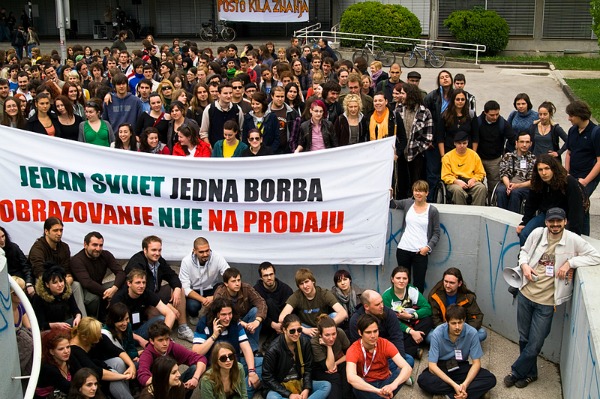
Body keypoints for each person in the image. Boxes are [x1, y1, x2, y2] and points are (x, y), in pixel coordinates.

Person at [505, 207, 600, 389]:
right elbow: (524, 251)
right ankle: (530, 374)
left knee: (536, 342)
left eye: (559, 221)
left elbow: (595, 255)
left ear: (565, 222)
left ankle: (516, 371)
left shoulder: (572, 239)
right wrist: (523, 265)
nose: (555, 225)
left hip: (547, 302)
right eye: (551, 222)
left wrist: (570, 263)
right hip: (526, 294)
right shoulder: (538, 233)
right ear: (546, 222)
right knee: (524, 338)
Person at [125, 235, 195, 342]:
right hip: (142, 302)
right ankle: (161, 337)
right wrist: (168, 307)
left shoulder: (159, 260)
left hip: (155, 294)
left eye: (159, 250)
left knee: (180, 289)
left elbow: (172, 275)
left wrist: (176, 288)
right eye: (153, 250)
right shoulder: (137, 263)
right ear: (145, 250)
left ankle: (182, 328)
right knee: (159, 315)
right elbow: (142, 290)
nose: (157, 253)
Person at [418, 305, 496, 398]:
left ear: (464, 320)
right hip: (442, 367)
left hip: (461, 366)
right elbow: (432, 366)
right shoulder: (437, 333)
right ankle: (469, 393)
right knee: (423, 379)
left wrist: (465, 384)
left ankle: (449, 395)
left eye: (460, 322)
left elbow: (476, 363)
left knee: (490, 378)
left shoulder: (472, 333)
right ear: (447, 322)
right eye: (453, 323)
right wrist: (454, 385)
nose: (457, 327)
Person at [191, 297, 262, 399]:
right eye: (223, 314)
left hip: (234, 364)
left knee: (262, 363)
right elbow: (196, 352)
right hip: (213, 368)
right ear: (216, 314)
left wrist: (251, 371)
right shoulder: (204, 324)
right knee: (203, 379)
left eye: (230, 313)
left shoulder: (235, 322)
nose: (228, 318)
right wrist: (214, 336)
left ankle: (243, 391)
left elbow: (246, 348)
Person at [517, 154, 585, 245]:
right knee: (525, 234)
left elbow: (576, 210)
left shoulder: (568, 182)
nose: (544, 173)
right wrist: (524, 222)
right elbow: (531, 204)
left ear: (553, 169)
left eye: (547, 168)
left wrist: (573, 233)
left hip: (567, 216)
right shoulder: (537, 181)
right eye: (540, 170)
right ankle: (524, 258)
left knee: (565, 243)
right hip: (548, 214)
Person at [262, 314, 332, 399]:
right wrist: (289, 394)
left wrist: (306, 388)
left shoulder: (304, 342)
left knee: (326, 386)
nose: (296, 334)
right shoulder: (273, 349)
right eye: (292, 331)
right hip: (281, 386)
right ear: (284, 330)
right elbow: (267, 377)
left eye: (299, 330)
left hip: (300, 383)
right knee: (272, 397)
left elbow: (308, 368)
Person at [346, 313, 412, 399]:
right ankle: (385, 396)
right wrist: (377, 391)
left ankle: (385, 394)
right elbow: (351, 377)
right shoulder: (353, 349)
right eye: (368, 332)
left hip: (385, 381)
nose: (373, 336)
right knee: (356, 385)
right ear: (360, 332)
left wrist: (392, 386)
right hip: (367, 385)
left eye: (375, 331)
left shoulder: (384, 343)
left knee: (408, 362)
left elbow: (407, 368)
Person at [390, 180, 440, 293]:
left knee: (419, 283)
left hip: (420, 252)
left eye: (421, 191)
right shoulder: (408, 203)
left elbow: (436, 233)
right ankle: (402, 304)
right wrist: (390, 195)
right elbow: (393, 204)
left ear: (427, 193)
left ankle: (416, 307)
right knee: (402, 282)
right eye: (416, 191)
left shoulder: (432, 210)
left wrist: (427, 248)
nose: (418, 193)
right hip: (403, 249)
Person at [69, 317, 135, 399]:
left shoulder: (96, 336)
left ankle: (126, 392)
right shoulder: (74, 350)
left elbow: (117, 351)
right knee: (114, 380)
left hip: (101, 366)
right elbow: (96, 371)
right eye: (96, 337)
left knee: (118, 362)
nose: (99, 337)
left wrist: (132, 366)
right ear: (84, 337)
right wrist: (123, 376)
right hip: (92, 379)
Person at [348, 290, 414, 369]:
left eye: (382, 302)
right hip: (368, 358)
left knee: (408, 360)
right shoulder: (355, 320)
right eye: (377, 304)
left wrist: (401, 362)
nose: (382, 306)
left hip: (387, 352)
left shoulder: (388, 313)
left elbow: (397, 337)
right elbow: (358, 348)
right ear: (366, 307)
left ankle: (393, 374)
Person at [71, 231, 127, 319]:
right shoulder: (77, 260)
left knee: (124, 284)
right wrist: (106, 293)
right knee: (95, 298)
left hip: (100, 287)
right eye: (94, 245)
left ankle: (119, 317)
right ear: (85, 245)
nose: (98, 248)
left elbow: (121, 273)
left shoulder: (106, 254)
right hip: (84, 291)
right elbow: (87, 283)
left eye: (100, 245)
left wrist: (114, 288)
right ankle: (96, 321)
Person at [138, 321, 207, 392]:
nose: (165, 343)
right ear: (152, 341)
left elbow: (200, 358)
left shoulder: (172, 347)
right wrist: (167, 380)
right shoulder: (147, 354)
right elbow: (143, 377)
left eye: (167, 339)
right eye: (160, 340)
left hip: (175, 384)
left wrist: (195, 378)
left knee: (195, 368)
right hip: (158, 390)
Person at [565, 99, 600, 236]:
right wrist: (566, 173)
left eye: (571, 116)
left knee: (580, 202)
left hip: (588, 176)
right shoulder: (572, 130)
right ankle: (575, 234)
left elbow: (599, 161)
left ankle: (583, 236)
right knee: (576, 204)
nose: (569, 118)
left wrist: (586, 181)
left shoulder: (596, 132)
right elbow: (569, 153)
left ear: (580, 115)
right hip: (573, 175)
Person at [382, 266, 433, 360]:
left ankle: (407, 349)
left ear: (408, 280)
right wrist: (411, 332)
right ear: (392, 279)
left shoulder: (412, 290)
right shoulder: (386, 296)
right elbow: (388, 320)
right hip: (398, 324)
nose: (401, 281)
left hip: (412, 320)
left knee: (428, 320)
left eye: (404, 278)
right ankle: (413, 349)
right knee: (393, 333)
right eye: (398, 278)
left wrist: (411, 315)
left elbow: (427, 308)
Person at [279, 268, 348, 337]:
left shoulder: (324, 293)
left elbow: (343, 313)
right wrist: (302, 329)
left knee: (335, 315)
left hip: (323, 325)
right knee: (293, 329)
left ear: (313, 281)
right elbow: (281, 318)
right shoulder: (296, 296)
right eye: (301, 284)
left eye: (306, 282)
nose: (305, 286)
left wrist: (325, 327)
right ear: (298, 286)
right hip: (305, 328)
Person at [213, 268, 267, 353]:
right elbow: (220, 315)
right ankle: (246, 350)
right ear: (226, 283)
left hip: (244, 318)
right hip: (228, 321)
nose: (237, 283)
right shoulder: (220, 294)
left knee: (255, 311)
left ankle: (252, 349)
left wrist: (257, 321)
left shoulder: (245, 288)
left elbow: (261, 302)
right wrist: (243, 324)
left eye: (238, 280)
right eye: (233, 281)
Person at [111, 269, 176, 339]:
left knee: (161, 319)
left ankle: (160, 338)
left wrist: (165, 335)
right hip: (123, 332)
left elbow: (170, 313)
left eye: (144, 282)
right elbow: (115, 326)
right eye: (138, 283)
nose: (142, 286)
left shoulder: (146, 293)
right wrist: (140, 340)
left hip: (140, 329)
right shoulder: (119, 298)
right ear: (129, 283)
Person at [179, 236, 230, 323]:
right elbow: (185, 288)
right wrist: (203, 300)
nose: (205, 254)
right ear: (194, 251)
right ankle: (193, 315)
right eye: (201, 252)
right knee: (192, 306)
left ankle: (217, 314)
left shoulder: (217, 257)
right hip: (194, 290)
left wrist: (214, 297)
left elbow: (229, 275)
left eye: (207, 250)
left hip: (212, 287)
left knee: (226, 288)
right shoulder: (186, 261)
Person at [428, 267, 487, 342]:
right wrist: (448, 332)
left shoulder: (468, 297)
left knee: (482, 333)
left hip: (461, 329)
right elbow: (434, 318)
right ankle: (460, 344)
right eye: (445, 281)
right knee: (429, 336)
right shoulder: (435, 296)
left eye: (452, 283)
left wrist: (462, 331)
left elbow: (477, 317)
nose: (447, 285)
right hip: (443, 330)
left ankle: (450, 345)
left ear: (459, 283)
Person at [397, 82, 433, 188]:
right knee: (401, 183)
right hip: (400, 154)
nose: (400, 96)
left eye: (403, 93)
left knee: (416, 183)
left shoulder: (425, 112)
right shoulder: (398, 110)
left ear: (410, 94)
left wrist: (418, 149)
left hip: (417, 154)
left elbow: (428, 136)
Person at [424, 70, 453, 202]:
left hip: (451, 141)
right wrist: (427, 138)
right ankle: (431, 200)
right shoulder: (432, 97)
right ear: (438, 81)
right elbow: (424, 118)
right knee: (433, 174)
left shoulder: (457, 96)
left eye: (447, 77)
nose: (445, 79)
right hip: (434, 141)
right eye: (442, 77)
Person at [476, 100, 515, 198]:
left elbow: (513, 138)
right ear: (485, 113)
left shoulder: (502, 123)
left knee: (494, 186)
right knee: (477, 185)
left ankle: (491, 203)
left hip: (494, 160)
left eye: (497, 114)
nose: (495, 117)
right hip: (478, 159)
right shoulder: (477, 122)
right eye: (492, 115)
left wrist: (508, 153)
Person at [310, 314, 352, 399]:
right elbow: (329, 367)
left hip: (337, 362)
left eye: (334, 334)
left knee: (346, 370)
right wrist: (328, 346)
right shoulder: (314, 342)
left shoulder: (340, 333)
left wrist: (336, 363)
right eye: (327, 335)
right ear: (320, 334)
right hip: (321, 369)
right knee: (335, 377)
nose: (331, 338)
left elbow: (350, 354)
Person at [441, 130, 487, 205]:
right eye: (459, 143)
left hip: (471, 181)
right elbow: (445, 176)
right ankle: (462, 212)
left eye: (464, 143)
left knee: (481, 188)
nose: (462, 145)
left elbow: (481, 173)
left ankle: (476, 212)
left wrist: (474, 179)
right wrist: (456, 181)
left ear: (467, 143)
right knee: (457, 190)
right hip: (454, 181)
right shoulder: (447, 157)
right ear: (454, 143)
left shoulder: (474, 155)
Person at [495, 131, 536, 213]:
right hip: (508, 183)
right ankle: (500, 215)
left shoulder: (534, 159)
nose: (524, 145)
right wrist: (508, 186)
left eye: (527, 142)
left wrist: (517, 186)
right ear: (516, 143)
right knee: (500, 190)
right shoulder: (508, 156)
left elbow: (533, 181)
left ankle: (512, 219)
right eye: (522, 142)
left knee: (515, 193)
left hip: (524, 186)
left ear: (530, 144)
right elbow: (504, 174)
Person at [253, 262, 293, 344]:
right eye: (265, 275)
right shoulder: (256, 290)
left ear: (274, 274)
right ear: (261, 278)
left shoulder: (285, 289)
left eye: (271, 274)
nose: (269, 277)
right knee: (267, 303)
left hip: (283, 323)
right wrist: (272, 324)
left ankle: (272, 340)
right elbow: (255, 311)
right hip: (265, 323)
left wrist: (281, 325)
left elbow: (291, 311)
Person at [200, 82, 244, 147]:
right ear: (219, 94)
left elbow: (241, 131)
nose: (229, 96)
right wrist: (210, 148)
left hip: (234, 150)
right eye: (225, 93)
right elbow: (203, 133)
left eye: (230, 93)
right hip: (216, 150)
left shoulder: (237, 109)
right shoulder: (209, 109)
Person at [438, 89, 477, 157]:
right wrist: (443, 156)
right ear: (453, 100)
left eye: (462, 99)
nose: (460, 102)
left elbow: (475, 137)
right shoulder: (445, 115)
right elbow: (440, 138)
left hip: (467, 153)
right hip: (450, 153)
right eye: (457, 99)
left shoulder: (471, 115)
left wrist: (473, 155)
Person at [36, 329, 73, 399]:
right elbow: (68, 388)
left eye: (68, 347)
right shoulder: (48, 368)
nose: (66, 351)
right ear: (52, 352)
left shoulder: (68, 359)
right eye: (61, 349)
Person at [1, 225, 35, 295]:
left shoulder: (14, 247)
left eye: (3, 236)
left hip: (20, 282)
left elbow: (26, 266)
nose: (2, 240)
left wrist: (29, 283)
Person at [330, 270, 363, 334]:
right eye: (339, 281)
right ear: (336, 284)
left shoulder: (360, 294)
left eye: (345, 279)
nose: (343, 283)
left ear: (350, 280)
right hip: (340, 324)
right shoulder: (332, 295)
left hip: (356, 323)